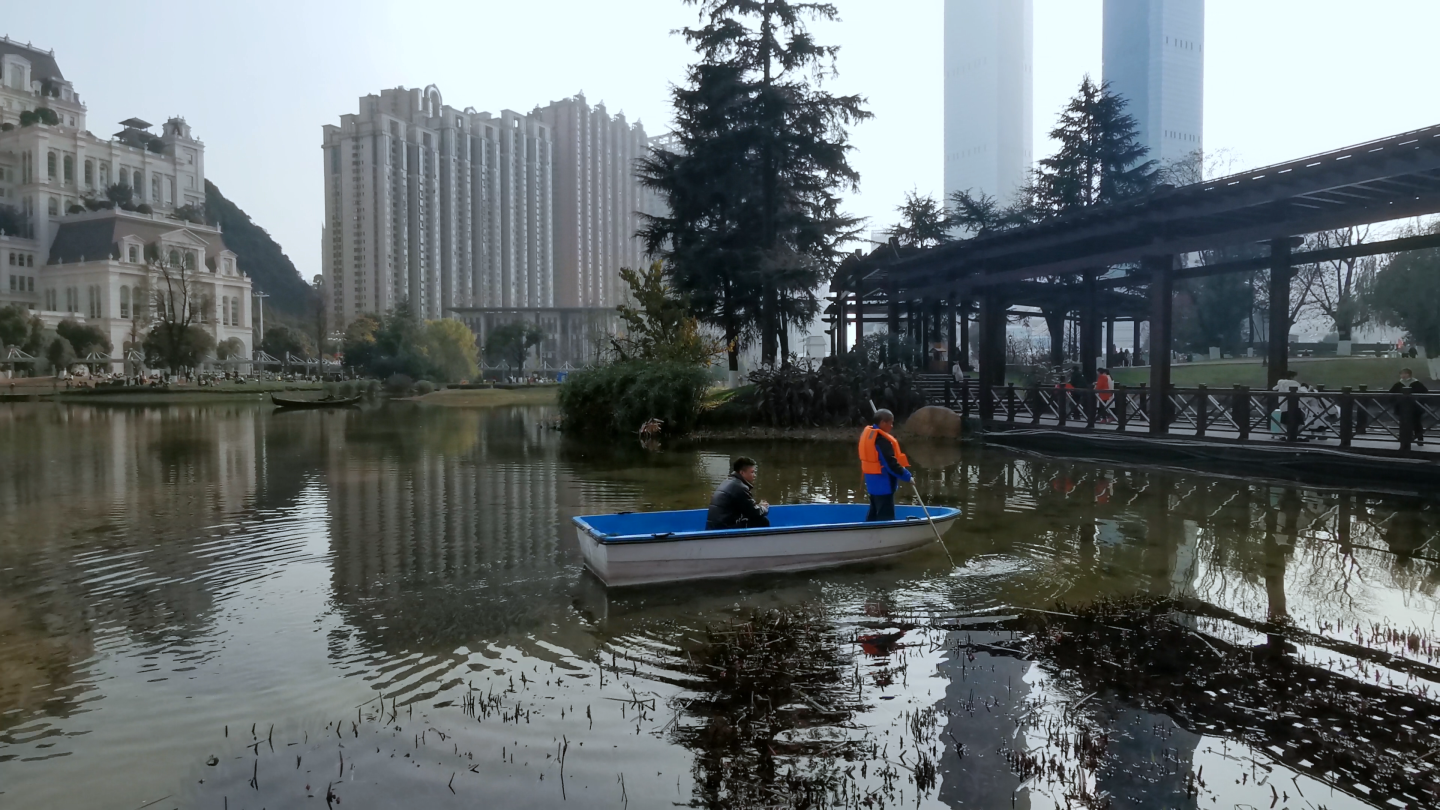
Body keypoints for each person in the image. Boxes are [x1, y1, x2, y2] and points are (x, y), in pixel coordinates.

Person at [859, 409, 913, 522]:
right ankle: (884, 538)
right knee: (886, 517)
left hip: (872, 484)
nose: (892, 426)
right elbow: (890, 464)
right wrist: (907, 476)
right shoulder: (882, 441)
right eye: (891, 423)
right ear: (883, 423)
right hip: (884, 485)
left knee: (873, 513)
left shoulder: (870, 435)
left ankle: (868, 534)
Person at [705, 457, 770, 529]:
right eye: (752, 472)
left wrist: (758, 506)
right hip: (724, 528)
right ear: (742, 472)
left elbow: (747, 507)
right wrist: (764, 508)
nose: (754, 475)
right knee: (762, 521)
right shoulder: (740, 487)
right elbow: (754, 512)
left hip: (713, 526)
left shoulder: (728, 481)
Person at [1390, 368, 1428, 445]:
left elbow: (1425, 394)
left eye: (1404, 374)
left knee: (1417, 423)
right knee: (1403, 424)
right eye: (1401, 374)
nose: (1402, 376)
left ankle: (1419, 439)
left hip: (1415, 408)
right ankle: (1404, 439)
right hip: (1402, 408)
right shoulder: (1398, 384)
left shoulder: (1417, 383)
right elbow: (1391, 394)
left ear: (1409, 375)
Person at [1272, 370, 1304, 439]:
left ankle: (1285, 434)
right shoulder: (1295, 383)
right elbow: (1300, 391)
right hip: (1294, 405)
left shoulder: (1281, 382)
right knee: (1300, 422)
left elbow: (1274, 388)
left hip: (1283, 405)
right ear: (1292, 377)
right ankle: (1294, 435)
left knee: (1284, 421)